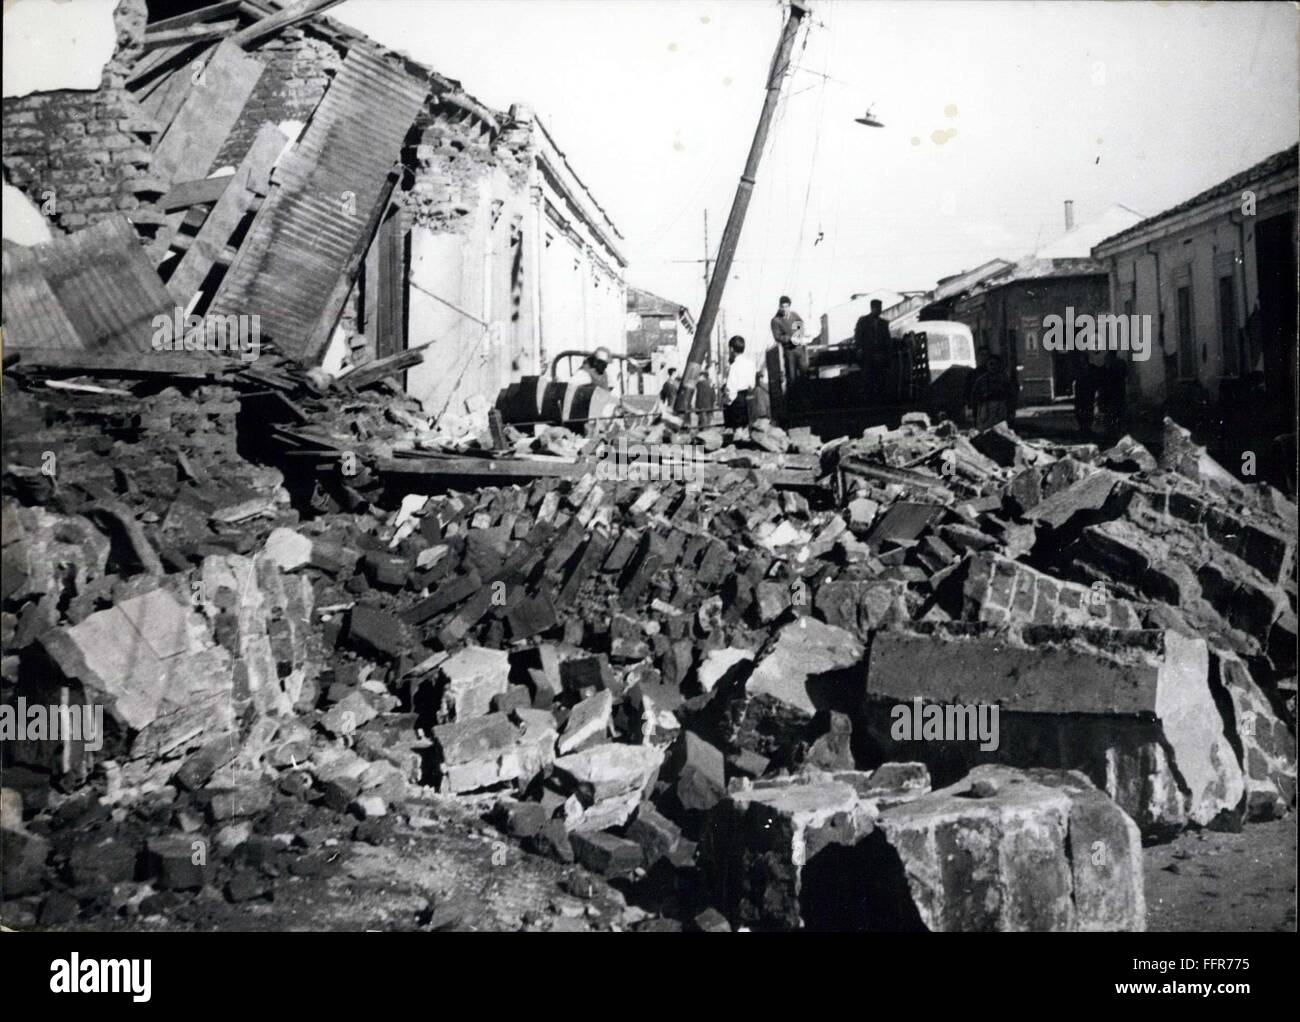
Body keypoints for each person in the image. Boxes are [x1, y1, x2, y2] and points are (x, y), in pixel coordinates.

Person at [853, 299, 892, 398]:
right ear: (872, 308)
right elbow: (858, 336)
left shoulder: (884, 323)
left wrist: (886, 353)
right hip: (867, 354)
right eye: (878, 308)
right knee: (868, 376)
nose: (879, 310)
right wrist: (859, 349)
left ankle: (879, 396)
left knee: (880, 376)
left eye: (880, 308)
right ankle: (868, 396)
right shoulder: (863, 321)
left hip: (880, 354)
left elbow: (887, 339)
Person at [970, 352, 1014, 430]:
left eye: (996, 364)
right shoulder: (981, 381)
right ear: (987, 365)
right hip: (985, 412)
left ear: (999, 365)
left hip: (1000, 410)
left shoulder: (1004, 380)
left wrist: (1011, 413)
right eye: (991, 364)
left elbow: (1011, 397)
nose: (993, 366)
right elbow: (974, 397)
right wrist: (975, 414)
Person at [771, 295, 808, 384]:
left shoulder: (794, 315)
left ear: (789, 306)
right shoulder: (775, 320)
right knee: (792, 377)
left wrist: (799, 336)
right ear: (779, 307)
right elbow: (777, 337)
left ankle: (805, 396)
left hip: (799, 349)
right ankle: (793, 396)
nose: (784, 309)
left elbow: (801, 325)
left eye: (786, 306)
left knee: (805, 373)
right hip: (789, 351)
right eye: (782, 307)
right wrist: (790, 339)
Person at [723, 335, 757, 428]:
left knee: (736, 431)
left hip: (737, 402)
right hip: (749, 400)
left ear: (731, 349)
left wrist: (727, 402)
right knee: (746, 428)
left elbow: (731, 389)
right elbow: (752, 384)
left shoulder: (734, 366)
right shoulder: (751, 364)